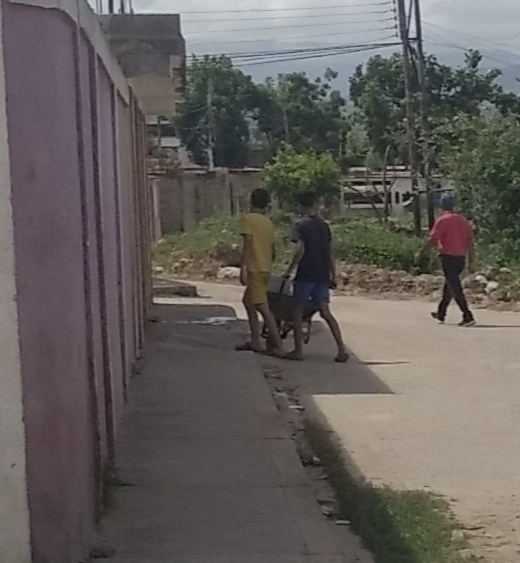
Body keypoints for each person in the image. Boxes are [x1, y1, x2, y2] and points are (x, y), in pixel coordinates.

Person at [284, 191, 349, 363]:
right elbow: (329, 253)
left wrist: (289, 270)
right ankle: (341, 349)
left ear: (299, 206)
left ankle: (298, 350)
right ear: (313, 205)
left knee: (297, 312)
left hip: (306, 273)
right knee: (325, 312)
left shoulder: (299, 225)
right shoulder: (323, 225)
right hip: (322, 274)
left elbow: (300, 250)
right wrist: (333, 275)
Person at [236, 188, 285, 356]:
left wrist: (242, 268)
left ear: (251, 201)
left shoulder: (248, 220)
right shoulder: (268, 222)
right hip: (265, 267)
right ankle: (255, 341)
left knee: (262, 307)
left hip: (254, 268)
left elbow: (248, 245)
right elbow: (272, 250)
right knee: (248, 301)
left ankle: (278, 345)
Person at [416, 193, 476, 327]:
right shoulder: (463, 220)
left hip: (448, 257)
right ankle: (441, 313)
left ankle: (467, 315)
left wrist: (421, 253)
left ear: (442, 205)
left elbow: (432, 239)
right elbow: (471, 242)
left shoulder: (443, 220)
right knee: (449, 285)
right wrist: (472, 261)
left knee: (454, 286)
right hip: (461, 258)